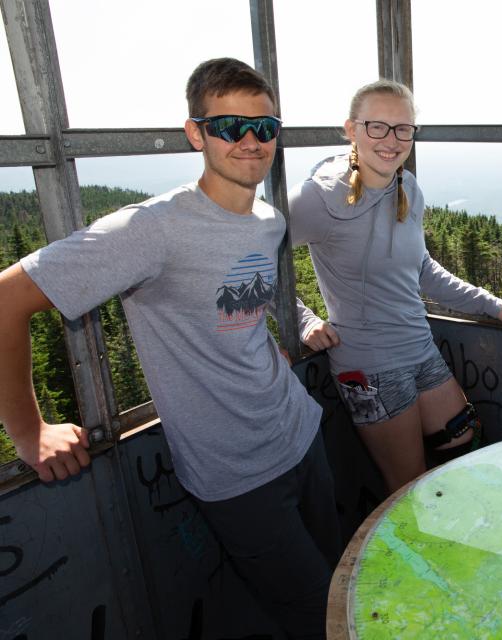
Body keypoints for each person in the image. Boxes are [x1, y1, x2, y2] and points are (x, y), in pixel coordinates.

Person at [0, 58, 340, 639]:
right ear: (196, 133)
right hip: (238, 476)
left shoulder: (266, 220)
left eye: (265, 127)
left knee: (341, 579)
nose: (251, 142)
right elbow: (8, 298)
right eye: (230, 127)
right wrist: (29, 433)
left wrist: (263, 338)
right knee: (320, 619)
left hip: (301, 432)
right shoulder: (153, 228)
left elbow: (239, 297)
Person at [287, 80, 502, 495]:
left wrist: (487, 302)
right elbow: (251, 256)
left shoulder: (406, 187)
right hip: (369, 366)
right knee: (408, 489)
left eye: (403, 128)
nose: (391, 140)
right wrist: (302, 320)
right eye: (377, 126)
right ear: (351, 129)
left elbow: (423, 269)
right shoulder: (320, 198)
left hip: (418, 345)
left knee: (463, 441)